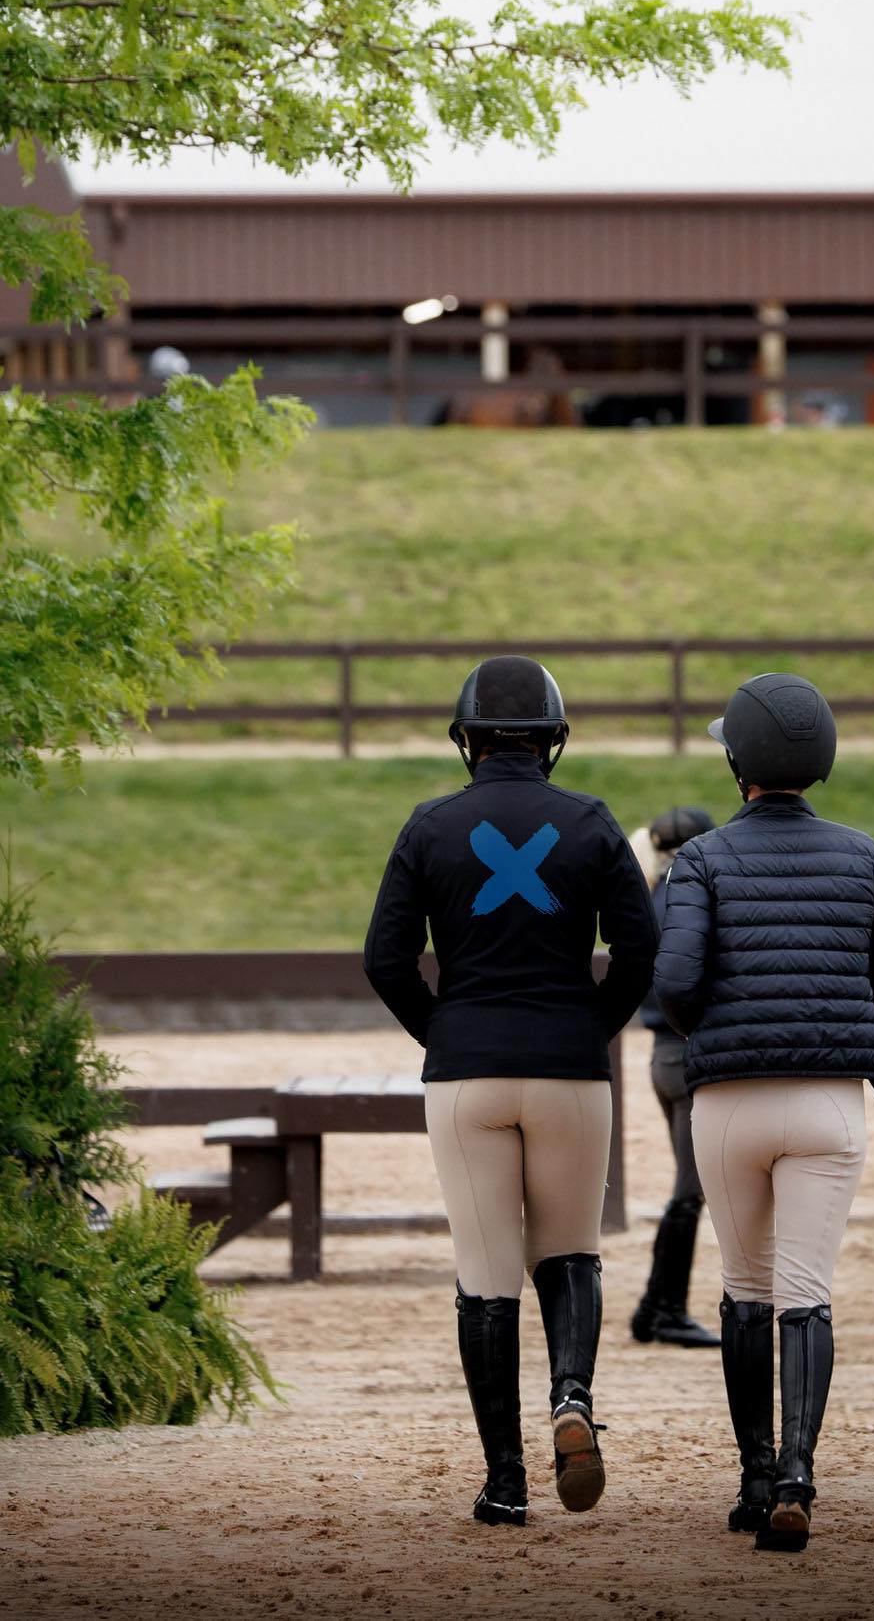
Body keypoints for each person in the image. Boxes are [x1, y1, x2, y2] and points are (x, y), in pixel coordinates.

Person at [362, 655, 657, 1528]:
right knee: (569, 1252)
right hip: (570, 1069)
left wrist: (444, 1032)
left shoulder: (429, 825)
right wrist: (588, 1026)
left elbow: (384, 959)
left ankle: (505, 1482)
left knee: (486, 1277)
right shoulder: (593, 822)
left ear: (469, 740)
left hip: (467, 1073)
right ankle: (572, 1397)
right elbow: (641, 954)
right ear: (552, 741)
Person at [655, 673, 874, 1555]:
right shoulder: (864, 855)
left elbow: (676, 983)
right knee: (808, 1294)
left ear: (738, 764)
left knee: (745, 1291)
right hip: (828, 1105)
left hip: (730, 1102)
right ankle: (801, 1478)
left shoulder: (698, 860)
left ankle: (754, 1476)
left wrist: (730, 1028)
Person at [629, 803, 721, 1349]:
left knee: (688, 1187)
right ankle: (661, 1308)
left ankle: (656, 1307)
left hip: (662, 1058)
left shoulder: (651, 895)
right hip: (685, 1053)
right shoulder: (686, 899)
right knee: (690, 1190)